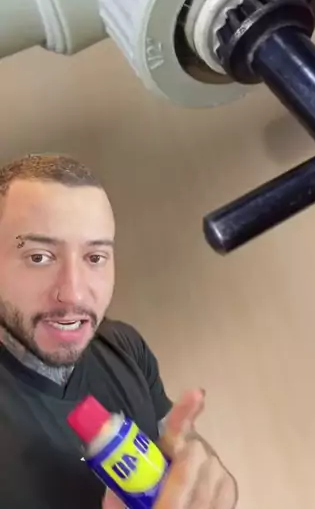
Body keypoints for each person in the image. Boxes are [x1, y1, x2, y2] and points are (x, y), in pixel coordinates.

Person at [0, 152, 238, 509]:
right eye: (39, 257)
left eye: (95, 258)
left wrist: (203, 478)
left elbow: (176, 445)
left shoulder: (124, 345)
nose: (74, 293)